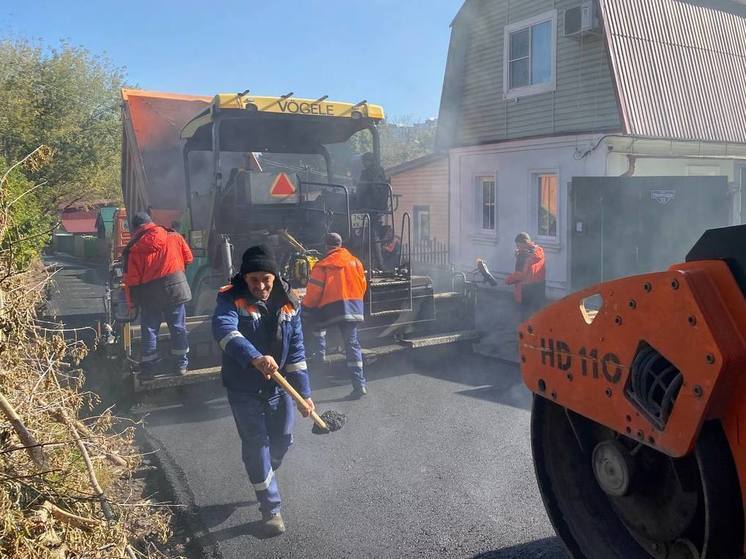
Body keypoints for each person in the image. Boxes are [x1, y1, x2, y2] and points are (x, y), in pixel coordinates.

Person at [212, 244, 314, 537]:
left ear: (274, 277)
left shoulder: (289, 304)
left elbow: (296, 353)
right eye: (254, 280)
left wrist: (304, 393)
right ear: (245, 279)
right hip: (243, 387)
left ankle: (265, 470)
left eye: (265, 279)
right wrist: (254, 357)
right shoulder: (230, 299)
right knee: (257, 446)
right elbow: (224, 331)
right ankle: (271, 509)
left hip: (278, 389)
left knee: (281, 440)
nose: (260, 286)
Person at [123, 211, 193, 378]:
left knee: (150, 330)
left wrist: (130, 305)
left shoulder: (134, 248)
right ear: (150, 223)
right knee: (178, 327)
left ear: (136, 229)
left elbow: (131, 281)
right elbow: (189, 258)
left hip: (150, 294)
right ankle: (181, 365)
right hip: (175, 289)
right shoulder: (174, 236)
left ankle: (149, 369)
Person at [302, 232, 368, 398]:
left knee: (316, 322)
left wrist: (306, 307)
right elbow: (363, 285)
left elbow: (313, 293)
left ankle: (320, 357)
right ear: (340, 244)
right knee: (352, 344)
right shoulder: (355, 262)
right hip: (354, 307)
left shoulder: (323, 265)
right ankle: (359, 384)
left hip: (332, 309)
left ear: (326, 246)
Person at [356, 152, 389, 269]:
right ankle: (378, 263)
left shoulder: (366, 173)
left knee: (366, 234)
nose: (364, 164)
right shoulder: (381, 171)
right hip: (380, 207)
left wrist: (357, 202)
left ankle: (373, 263)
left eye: (365, 161)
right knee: (374, 234)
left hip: (368, 207)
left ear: (368, 161)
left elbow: (361, 190)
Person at [505, 232, 546, 320]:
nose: (517, 248)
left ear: (524, 244)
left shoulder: (524, 256)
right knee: (538, 314)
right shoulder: (539, 250)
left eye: (518, 245)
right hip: (539, 287)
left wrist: (508, 280)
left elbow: (520, 275)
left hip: (526, 290)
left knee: (525, 316)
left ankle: (525, 332)